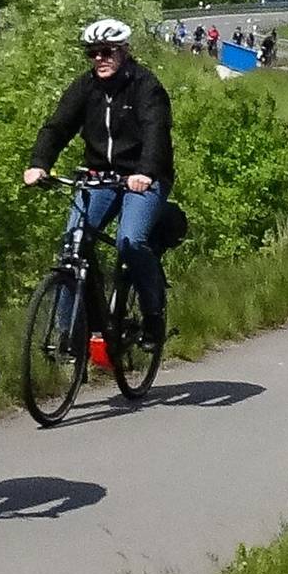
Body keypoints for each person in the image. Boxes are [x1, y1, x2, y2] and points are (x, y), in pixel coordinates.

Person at [26, 18, 175, 343]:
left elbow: (156, 133)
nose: (99, 59)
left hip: (143, 178)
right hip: (99, 178)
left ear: (123, 51)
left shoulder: (146, 86)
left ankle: (153, 314)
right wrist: (39, 163)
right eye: (92, 53)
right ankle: (73, 334)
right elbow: (57, 127)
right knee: (72, 245)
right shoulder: (86, 87)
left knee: (130, 242)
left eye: (106, 51)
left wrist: (145, 172)